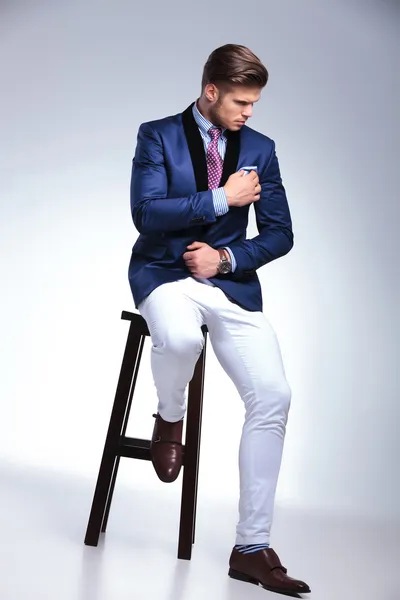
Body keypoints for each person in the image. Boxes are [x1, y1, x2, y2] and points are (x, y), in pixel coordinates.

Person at [128, 44, 311, 596]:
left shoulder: (261, 148)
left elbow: (280, 233)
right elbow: (145, 212)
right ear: (211, 91)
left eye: (253, 103)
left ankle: (251, 548)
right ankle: (169, 415)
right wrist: (219, 199)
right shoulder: (156, 135)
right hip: (164, 273)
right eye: (240, 101)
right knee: (180, 339)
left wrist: (227, 259)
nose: (248, 113)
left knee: (274, 397)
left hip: (228, 283)